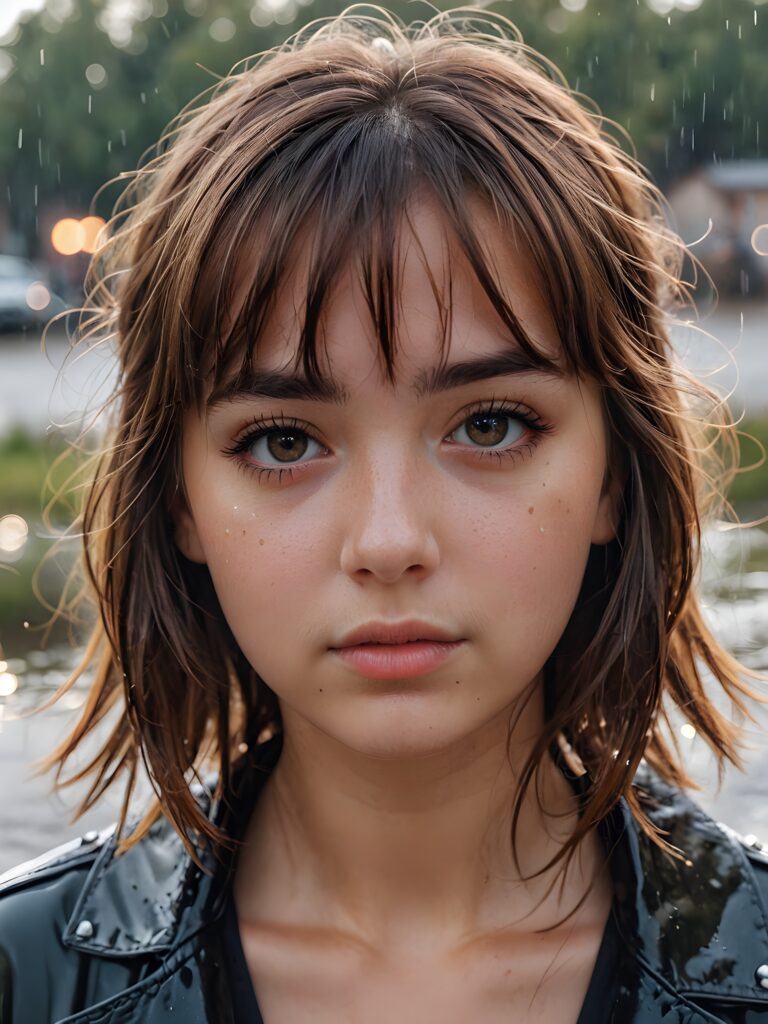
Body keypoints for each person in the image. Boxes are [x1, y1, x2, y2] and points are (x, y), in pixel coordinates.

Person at [1, 7, 767, 1022]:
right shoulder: (27, 978)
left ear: (614, 476)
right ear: (179, 499)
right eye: (283, 442)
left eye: (490, 425)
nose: (390, 541)